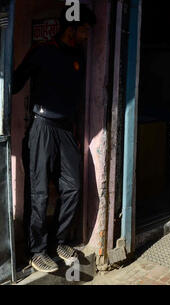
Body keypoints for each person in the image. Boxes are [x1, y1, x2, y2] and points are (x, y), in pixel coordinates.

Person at [12, 5, 96, 273]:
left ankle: (59, 241)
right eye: (83, 29)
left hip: (66, 130)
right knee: (38, 192)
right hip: (42, 126)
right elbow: (13, 83)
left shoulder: (78, 57)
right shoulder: (42, 51)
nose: (86, 35)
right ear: (70, 28)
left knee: (72, 186)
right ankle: (36, 251)